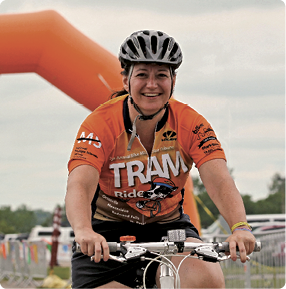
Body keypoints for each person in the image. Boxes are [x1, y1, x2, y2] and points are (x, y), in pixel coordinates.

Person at [65, 30, 256, 289]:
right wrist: (84, 231)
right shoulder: (99, 124)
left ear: (173, 80)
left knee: (206, 279)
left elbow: (219, 179)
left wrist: (241, 226)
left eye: (161, 76)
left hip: (168, 228)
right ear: (125, 80)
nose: (152, 85)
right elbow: (80, 184)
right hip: (107, 234)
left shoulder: (191, 123)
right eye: (142, 75)